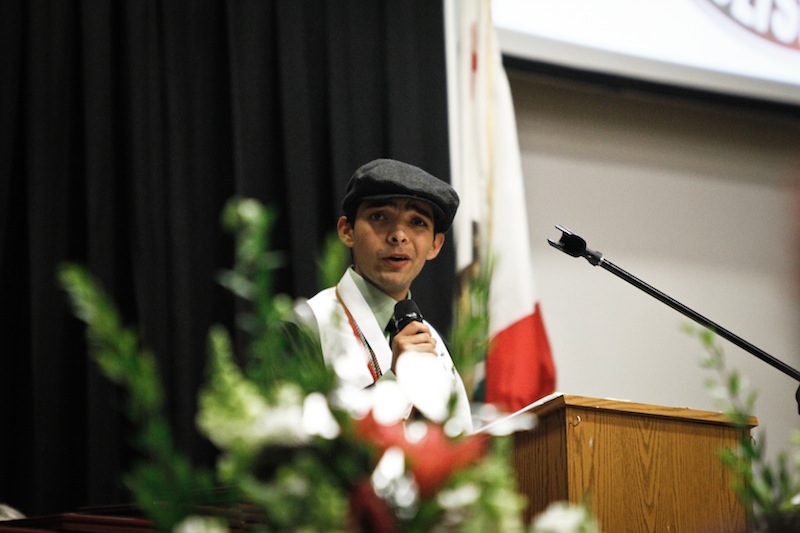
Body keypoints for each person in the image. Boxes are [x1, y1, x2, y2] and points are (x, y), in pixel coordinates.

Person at [296, 158, 472, 432]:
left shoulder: (435, 345)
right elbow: (292, 448)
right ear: (347, 230)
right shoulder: (307, 325)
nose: (399, 235)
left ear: (435, 245)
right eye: (379, 217)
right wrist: (395, 381)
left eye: (417, 222)